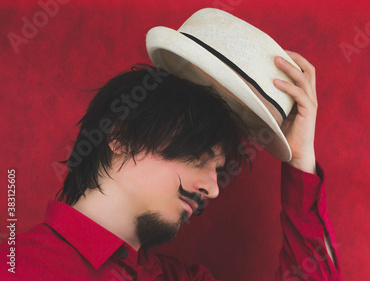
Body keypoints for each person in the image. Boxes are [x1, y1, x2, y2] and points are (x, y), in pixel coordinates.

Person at [0, 51, 342, 280]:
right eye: (198, 156)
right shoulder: (18, 267)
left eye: (219, 169)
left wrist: (300, 160)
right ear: (121, 135)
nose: (214, 188)